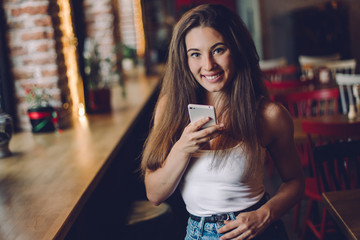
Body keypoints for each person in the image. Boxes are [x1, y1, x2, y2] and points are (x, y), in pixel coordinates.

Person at [141, 3, 304, 240]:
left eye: (218, 50)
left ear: (237, 50)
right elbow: (154, 194)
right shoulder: (170, 109)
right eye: (195, 54)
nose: (208, 65)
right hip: (197, 234)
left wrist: (265, 214)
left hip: (255, 232)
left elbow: (295, 182)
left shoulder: (269, 115)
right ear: (184, 60)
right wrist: (183, 147)